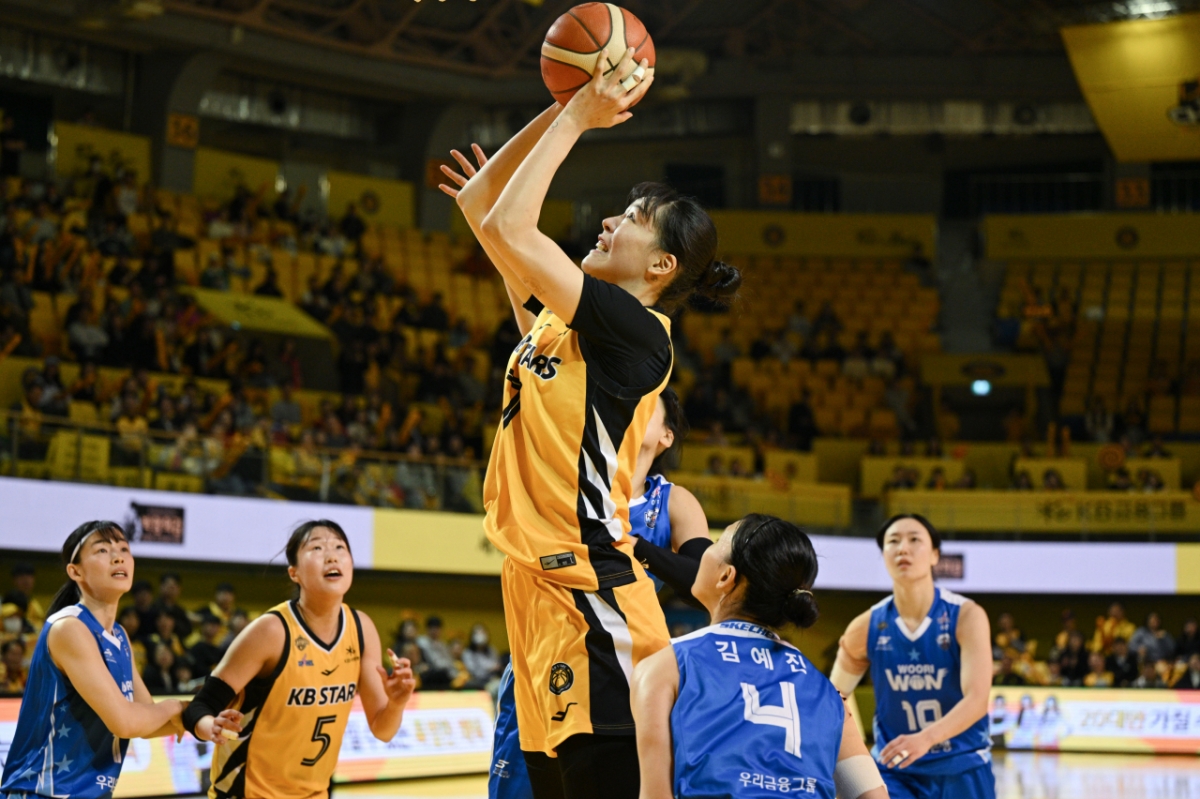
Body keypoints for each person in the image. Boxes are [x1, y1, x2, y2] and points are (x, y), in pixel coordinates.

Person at [441, 47, 739, 799]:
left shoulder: (639, 333)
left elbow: (510, 221)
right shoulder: (556, 323)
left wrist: (580, 113)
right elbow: (483, 204)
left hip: (592, 592)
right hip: (534, 595)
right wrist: (568, 95)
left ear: (662, 265)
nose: (609, 220)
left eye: (633, 219)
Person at [486, 388, 711, 799]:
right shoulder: (566, 482)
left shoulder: (674, 502)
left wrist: (635, 546)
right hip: (539, 664)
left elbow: (705, 583)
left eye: (645, 406)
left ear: (666, 436)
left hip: (618, 669)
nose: (628, 409)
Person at [631, 514, 887, 799]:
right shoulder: (829, 693)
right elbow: (872, 795)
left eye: (716, 542)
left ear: (726, 576)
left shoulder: (665, 666)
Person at [181, 520, 416, 799]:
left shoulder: (361, 628)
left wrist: (397, 703)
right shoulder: (271, 631)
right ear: (294, 573)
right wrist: (212, 727)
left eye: (340, 547)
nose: (331, 555)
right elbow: (200, 706)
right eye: (317, 547)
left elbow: (383, 729)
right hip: (247, 793)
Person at [0, 521, 185, 797]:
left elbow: (146, 720)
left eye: (124, 548)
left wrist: (203, 720)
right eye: (102, 550)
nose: (118, 556)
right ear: (75, 571)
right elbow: (125, 721)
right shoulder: (69, 627)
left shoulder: (120, 636)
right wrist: (177, 706)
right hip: (40, 792)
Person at [832, 514, 995, 799]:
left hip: (962, 766)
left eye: (914, 540)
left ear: (935, 555)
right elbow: (834, 700)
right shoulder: (865, 626)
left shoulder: (966, 616)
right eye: (892, 542)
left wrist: (926, 739)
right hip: (894, 771)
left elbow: (978, 700)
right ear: (883, 555)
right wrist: (853, 762)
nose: (902, 548)